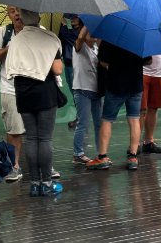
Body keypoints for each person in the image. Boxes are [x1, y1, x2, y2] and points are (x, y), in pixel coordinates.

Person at [5, 9, 64, 196]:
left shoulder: (16, 40)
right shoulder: (50, 37)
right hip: (44, 92)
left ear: (22, 18)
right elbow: (57, 70)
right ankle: (47, 183)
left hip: (23, 92)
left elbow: (11, 68)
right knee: (44, 138)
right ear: (38, 17)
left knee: (31, 138)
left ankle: (34, 183)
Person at [86, 40, 151, 170]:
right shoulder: (140, 37)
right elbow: (148, 61)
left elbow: (103, 61)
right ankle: (133, 157)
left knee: (107, 120)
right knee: (134, 119)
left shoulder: (111, 37)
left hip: (115, 84)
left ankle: (102, 157)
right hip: (136, 84)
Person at [0, 6, 26, 182]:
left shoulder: (38, 32)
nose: (17, 14)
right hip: (10, 88)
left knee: (39, 132)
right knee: (14, 130)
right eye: (12, 11)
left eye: (20, 10)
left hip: (34, 89)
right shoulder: (3, 32)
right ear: (8, 14)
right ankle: (14, 166)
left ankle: (44, 165)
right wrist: (9, 47)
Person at [71, 23, 102, 164]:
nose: (93, 34)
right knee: (83, 122)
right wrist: (89, 22)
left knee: (99, 123)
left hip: (95, 90)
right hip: (82, 88)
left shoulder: (96, 48)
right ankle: (78, 153)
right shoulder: (79, 46)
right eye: (91, 32)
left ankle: (101, 153)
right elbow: (80, 38)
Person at [140, 54, 161, 154]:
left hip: (159, 72)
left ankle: (148, 142)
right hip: (142, 71)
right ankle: (135, 143)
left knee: (154, 108)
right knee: (141, 109)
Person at [59, 14, 81, 129]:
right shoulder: (65, 26)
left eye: (74, 18)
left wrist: (66, 25)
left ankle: (80, 117)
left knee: (77, 91)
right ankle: (80, 116)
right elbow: (61, 38)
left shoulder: (82, 28)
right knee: (73, 90)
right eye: (70, 18)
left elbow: (73, 38)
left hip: (77, 63)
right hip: (68, 62)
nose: (72, 20)